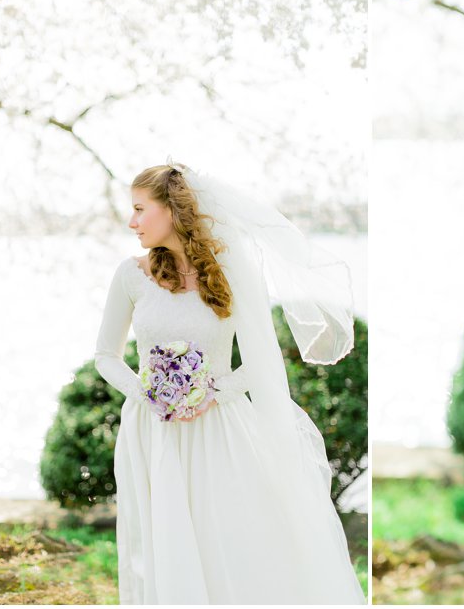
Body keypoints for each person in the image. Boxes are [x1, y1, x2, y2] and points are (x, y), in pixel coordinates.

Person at [94, 164, 365, 604]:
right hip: (154, 431)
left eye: (141, 209)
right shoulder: (131, 276)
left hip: (221, 429)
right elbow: (106, 356)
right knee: (164, 540)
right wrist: (148, 392)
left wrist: (211, 394)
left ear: (173, 210)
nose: (132, 222)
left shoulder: (230, 274)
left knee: (230, 535)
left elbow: (260, 361)